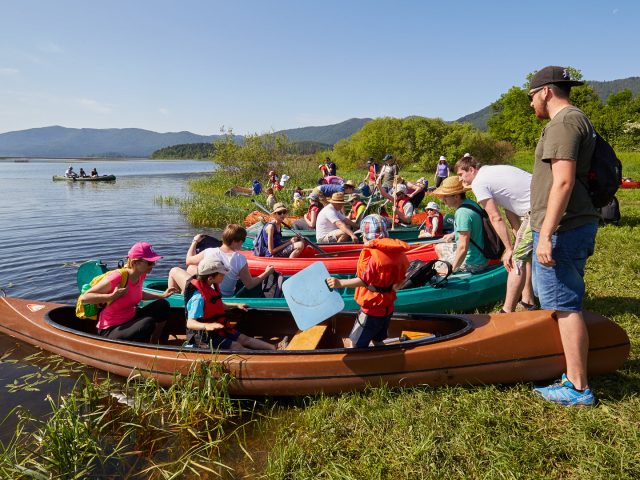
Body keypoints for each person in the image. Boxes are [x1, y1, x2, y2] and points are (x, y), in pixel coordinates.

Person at [527, 66, 600, 406]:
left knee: (566, 306)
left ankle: (577, 386)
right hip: (571, 225)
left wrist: (546, 235)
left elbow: (564, 181)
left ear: (545, 92)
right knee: (562, 302)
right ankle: (572, 374)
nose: (530, 105)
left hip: (563, 229)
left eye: (531, 97)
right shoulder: (575, 120)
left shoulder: (564, 123)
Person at [455, 155, 536, 313]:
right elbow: (509, 208)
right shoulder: (491, 172)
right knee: (524, 255)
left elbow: (495, 217)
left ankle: (506, 311)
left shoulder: (479, 182)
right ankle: (528, 301)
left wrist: (509, 249)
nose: (459, 179)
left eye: (460, 174)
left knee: (516, 258)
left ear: (471, 170)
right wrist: (516, 236)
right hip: (541, 203)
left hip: (538, 209)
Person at [326, 214, 409, 348]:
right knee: (378, 339)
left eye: (363, 236)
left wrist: (340, 283)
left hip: (372, 309)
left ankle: (363, 364)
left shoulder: (372, 257)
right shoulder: (398, 253)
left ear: (367, 237)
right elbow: (401, 281)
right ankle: (383, 356)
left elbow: (364, 281)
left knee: (355, 343)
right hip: (388, 307)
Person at [80, 242, 176, 343]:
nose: (153, 265)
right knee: (147, 323)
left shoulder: (141, 274)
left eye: (154, 262)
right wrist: (111, 296)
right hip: (111, 329)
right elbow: (85, 297)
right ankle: (144, 349)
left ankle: (156, 343)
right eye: (149, 262)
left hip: (130, 319)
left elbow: (138, 293)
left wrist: (162, 295)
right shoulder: (118, 277)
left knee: (163, 304)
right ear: (135, 262)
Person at [184, 258, 288, 350]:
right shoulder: (198, 298)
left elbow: (219, 305)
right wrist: (207, 326)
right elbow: (190, 323)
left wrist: (236, 305)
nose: (224, 276)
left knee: (244, 339)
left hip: (219, 330)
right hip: (205, 337)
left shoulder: (210, 287)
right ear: (210, 278)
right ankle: (258, 358)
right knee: (236, 346)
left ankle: (274, 348)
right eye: (222, 274)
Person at [169, 224, 275, 297]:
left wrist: (195, 241)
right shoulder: (240, 259)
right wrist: (267, 272)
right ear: (235, 242)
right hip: (224, 295)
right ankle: (184, 296)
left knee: (174, 270)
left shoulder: (209, 252)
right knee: (192, 268)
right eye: (242, 241)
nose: (242, 243)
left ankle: (178, 298)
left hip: (208, 293)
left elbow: (188, 260)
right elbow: (250, 284)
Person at [432, 176, 488, 273]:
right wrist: (454, 234)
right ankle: (446, 260)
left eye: (446, 196)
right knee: (439, 247)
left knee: (434, 270)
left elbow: (462, 248)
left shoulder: (462, 213)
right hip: (481, 253)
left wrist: (451, 270)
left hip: (474, 262)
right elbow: (470, 227)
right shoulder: (471, 204)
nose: (443, 199)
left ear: (456, 196)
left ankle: (450, 271)